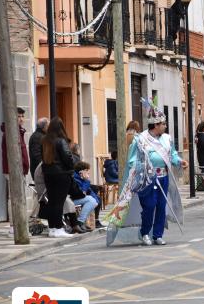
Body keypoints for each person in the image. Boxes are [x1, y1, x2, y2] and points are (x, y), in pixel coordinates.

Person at [106, 98, 188, 246]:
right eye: (163, 124)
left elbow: (172, 154)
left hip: (163, 177)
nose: (165, 126)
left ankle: (158, 234)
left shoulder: (167, 139)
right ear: (155, 125)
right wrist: (144, 167)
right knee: (149, 206)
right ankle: (144, 233)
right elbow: (132, 160)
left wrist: (179, 161)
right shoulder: (140, 139)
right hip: (147, 179)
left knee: (161, 207)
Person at [41, 117, 74, 238]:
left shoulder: (44, 141)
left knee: (52, 202)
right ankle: (59, 228)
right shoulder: (61, 141)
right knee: (59, 203)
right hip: (62, 175)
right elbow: (67, 158)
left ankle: (52, 229)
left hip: (48, 175)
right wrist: (71, 167)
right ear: (61, 128)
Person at [1, 108, 30, 233]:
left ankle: (18, 224)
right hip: (13, 170)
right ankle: (14, 226)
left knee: (19, 197)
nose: (21, 119)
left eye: (23, 116)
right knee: (14, 198)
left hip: (21, 170)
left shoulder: (20, 131)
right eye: (19, 116)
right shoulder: (10, 132)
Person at [71, 161, 101, 232]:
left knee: (94, 200)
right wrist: (86, 181)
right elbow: (82, 192)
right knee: (91, 200)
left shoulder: (81, 179)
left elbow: (90, 192)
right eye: (87, 171)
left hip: (78, 198)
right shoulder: (75, 179)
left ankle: (83, 222)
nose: (88, 173)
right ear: (81, 172)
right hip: (72, 199)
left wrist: (96, 201)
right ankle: (80, 222)